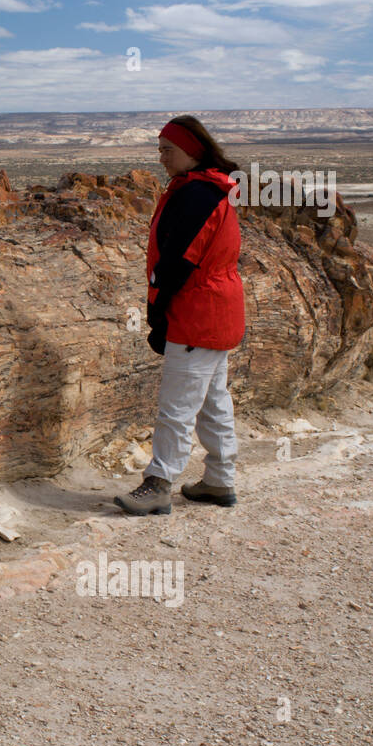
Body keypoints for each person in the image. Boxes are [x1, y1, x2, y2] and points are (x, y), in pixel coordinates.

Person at [114, 115, 245, 516]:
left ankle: (158, 484)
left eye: (167, 150)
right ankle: (219, 481)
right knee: (213, 401)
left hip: (197, 314)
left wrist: (159, 314)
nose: (162, 158)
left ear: (192, 151)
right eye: (159, 150)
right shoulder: (209, 188)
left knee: (176, 405)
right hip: (218, 311)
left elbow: (178, 262)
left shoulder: (198, 195)